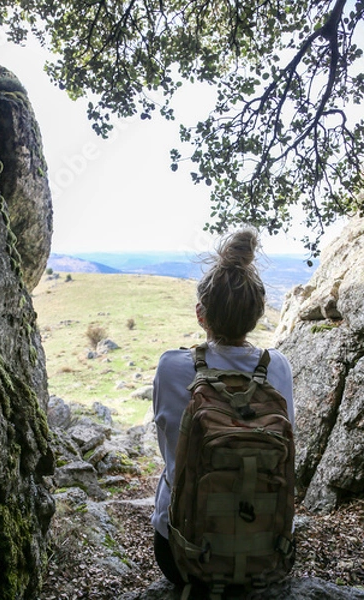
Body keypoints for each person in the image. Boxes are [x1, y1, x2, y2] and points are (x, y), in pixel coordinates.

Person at [150, 228, 294, 587]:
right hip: (266, 550)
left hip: (180, 554)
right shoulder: (277, 367)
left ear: (202, 314)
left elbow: (169, 450)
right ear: (258, 314)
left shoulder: (171, 367)